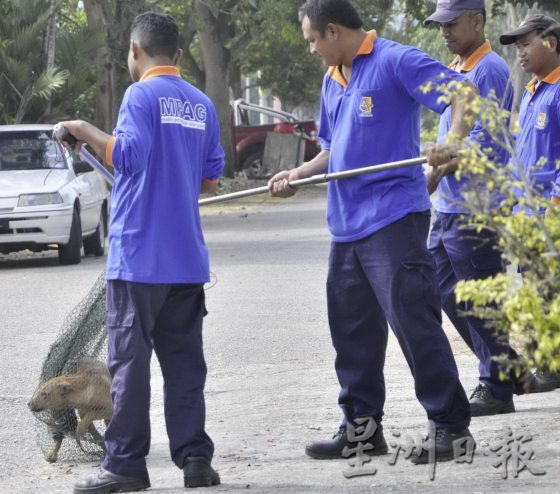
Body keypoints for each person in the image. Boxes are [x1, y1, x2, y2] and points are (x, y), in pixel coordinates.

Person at [269, 0, 474, 464]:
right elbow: (331, 150)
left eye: (312, 41)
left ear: (333, 31)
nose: (311, 50)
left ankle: (451, 428)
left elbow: (463, 93)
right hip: (345, 227)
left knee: (414, 322)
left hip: (393, 219)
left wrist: (454, 143)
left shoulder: (395, 60)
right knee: (353, 332)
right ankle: (361, 430)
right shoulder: (332, 78)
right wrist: (297, 175)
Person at [57, 12, 224, 493]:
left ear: (135, 50)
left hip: (139, 260)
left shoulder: (139, 94)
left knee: (129, 367)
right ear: (175, 51)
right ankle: (196, 462)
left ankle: (126, 466)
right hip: (187, 262)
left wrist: (84, 128)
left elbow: (129, 156)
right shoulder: (201, 105)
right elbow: (209, 178)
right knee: (185, 366)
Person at [423, 0, 553, 419]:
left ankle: (496, 385)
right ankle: (506, 368)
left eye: (452, 23)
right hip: (449, 206)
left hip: (477, 207)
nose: (444, 32)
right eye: (439, 25)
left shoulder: (489, 70)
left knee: (478, 298)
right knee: (447, 292)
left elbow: (491, 142)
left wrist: (444, 165)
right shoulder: (456, 70)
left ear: (477, 21)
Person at [499, 13, 560, 389]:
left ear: (551, 42)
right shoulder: (533, 91)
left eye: (527, 44)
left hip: (548, 214)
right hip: (524, 212)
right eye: (518, 46)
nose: (520, 52)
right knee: (529, 289)